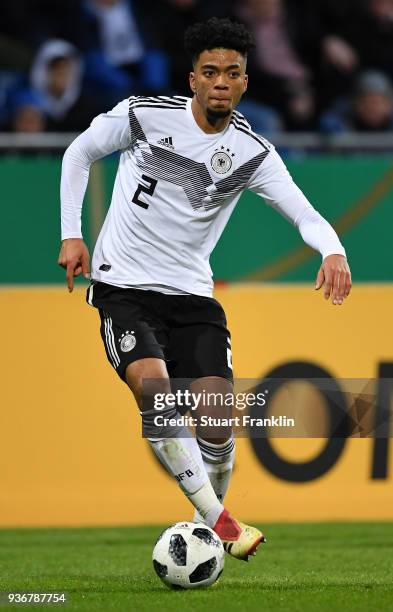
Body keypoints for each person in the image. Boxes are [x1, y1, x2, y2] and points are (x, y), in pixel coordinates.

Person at [58, 17, 351, 561]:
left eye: (232, 73)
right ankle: (222, 523)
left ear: (245, 81)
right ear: (192, 78)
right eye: (210, 71)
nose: (221, 81)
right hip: (124, 284)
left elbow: (304, 213)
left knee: (216, 417)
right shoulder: (145, 116)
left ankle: (202, 531)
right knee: (155, 389)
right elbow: (79, 153)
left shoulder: (253, 152)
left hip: (192, 294)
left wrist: (332, 249)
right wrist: (71, 234)